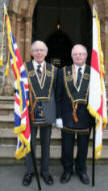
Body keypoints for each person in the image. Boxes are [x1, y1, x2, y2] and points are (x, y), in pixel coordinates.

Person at [56, 44, 95, 185]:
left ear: (86, 56)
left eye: (81, 54)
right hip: (67, 116)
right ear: (72, 56)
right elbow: (58, 96)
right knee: (67, 146)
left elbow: (97, 96)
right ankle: (67, 170)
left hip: (86, 117)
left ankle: (81, 169)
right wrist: (58, 116)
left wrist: (97, 115)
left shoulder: (93, 73)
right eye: (76, 54)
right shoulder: (63, 72)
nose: (78, 56)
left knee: (83, 147)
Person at [23, 40, 57, 186]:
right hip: (30, 113)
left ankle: (45, 172)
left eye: (41, 50)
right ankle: (29, 172)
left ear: (46, 53)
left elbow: (58, 94)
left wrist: (58, 115)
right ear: (31, 52)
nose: (38, 53)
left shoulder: (54, 70)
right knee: (30, 144)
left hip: (47, 113)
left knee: (46, 144)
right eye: (36, 50)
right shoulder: (24, 68)